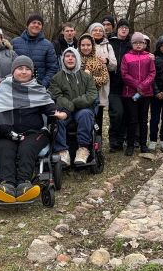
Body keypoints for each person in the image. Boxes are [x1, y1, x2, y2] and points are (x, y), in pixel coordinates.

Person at [0, 56, 67, 199]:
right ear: (13, 71)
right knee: (4, 148)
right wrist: (9, 133)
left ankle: (24, 183)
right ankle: (7, 184)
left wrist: (60, 113)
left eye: (27, 69)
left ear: (32, 72)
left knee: (27, 148)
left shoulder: (38, 89)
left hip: (34, 133)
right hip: (6, 132)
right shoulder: (2, 89)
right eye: (19, 69)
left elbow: (49, 107)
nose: (23, 72)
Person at [49, 48, 99, 166]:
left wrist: (73, 105)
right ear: (63, 59)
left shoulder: (86, 77)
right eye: (67, 56)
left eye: (73, 56)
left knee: (85, 114)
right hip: (64, 111)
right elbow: (57, 96)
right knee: (57, 117)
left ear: (77, 59)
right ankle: (62, 151)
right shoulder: (56, 78)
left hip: (82, 110)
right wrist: (68, 108)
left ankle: (83, 149)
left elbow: (91, 95)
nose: (70, 58)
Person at [120, 32, 156, 155]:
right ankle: (130, 145)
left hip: (146, 93)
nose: (138, 45)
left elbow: (152, 73)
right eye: (136, 43)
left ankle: (143, 144)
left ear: (145, 44)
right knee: (132, 119)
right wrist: (137, 85)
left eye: (141, 43)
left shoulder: (149, 57)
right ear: (132, 44)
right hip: (130, 93)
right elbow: (124, 74)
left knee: (143, 119)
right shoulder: (126, 57)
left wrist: (143, 85)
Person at [76, 33, 109, 163]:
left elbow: (105, 78)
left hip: (92, 96)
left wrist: (89, 78)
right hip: (75, 95)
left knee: (95, 123)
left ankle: (94, 149)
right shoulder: (73, 58)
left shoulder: (98, 60)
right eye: (83, 45)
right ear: (79, 46)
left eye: (88, 45)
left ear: (92, 46)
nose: (85, 47)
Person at [91, 22, 119, 147]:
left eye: (100, 30)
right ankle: (87, 140)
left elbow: (114, 65)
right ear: (91, 32)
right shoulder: (85, 43)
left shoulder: (108, 46)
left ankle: (98, 141)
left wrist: (106, 61)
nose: (98, 32)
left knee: (99, 115)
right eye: (95, 30)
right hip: (87, 84)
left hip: (102, 85)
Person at [11, 13, 58, 87]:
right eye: (33, 22)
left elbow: (52, 68)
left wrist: (43, 85)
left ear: (41, 27)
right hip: (17, 86)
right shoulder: (14, 42)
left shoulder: (48, 45)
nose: (36, 25)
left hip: (39, 87)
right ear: (27, 25)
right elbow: (9, 65)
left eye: (39, 23)